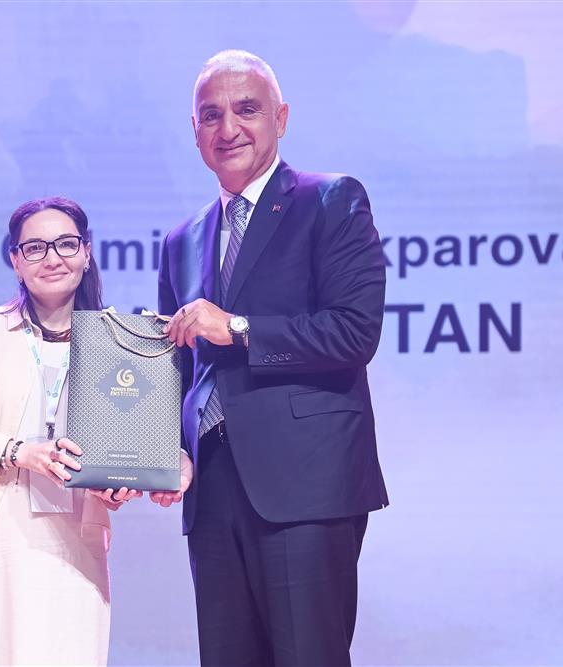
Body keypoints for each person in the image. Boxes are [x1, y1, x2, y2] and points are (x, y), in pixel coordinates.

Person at [155, 50, 389, 666]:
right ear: (195, 132)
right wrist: (159, 453)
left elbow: (354, 332)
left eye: (247, 110)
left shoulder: (330, 200)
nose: (228, 128)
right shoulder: (181, 240)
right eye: (211, 115)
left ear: (280, 118)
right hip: (212, 491)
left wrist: (236, 328)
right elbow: (178, 370)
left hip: (304, 486)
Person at [0, 196, 140, 666]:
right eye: (35, 248)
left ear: (86, 252)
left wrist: (118, 483)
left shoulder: (119, 343)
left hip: (74, 547)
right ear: (16, 261)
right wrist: (18, 451)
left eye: (66, 244)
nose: (52, 258)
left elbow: (123, 450)